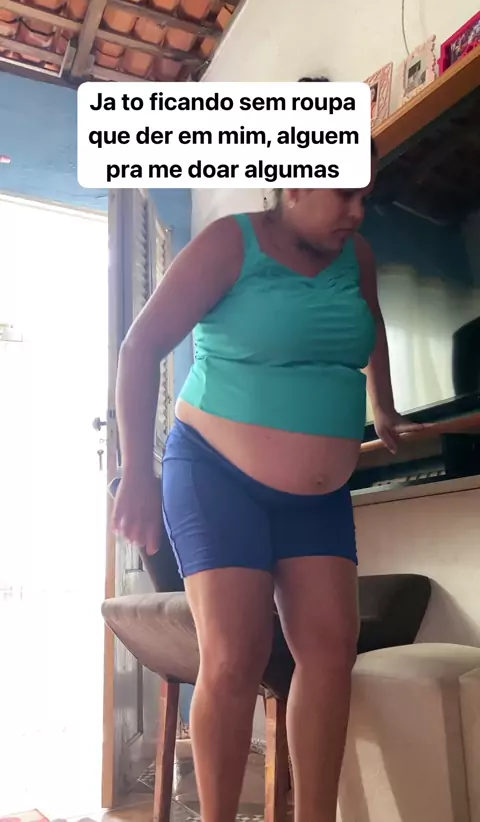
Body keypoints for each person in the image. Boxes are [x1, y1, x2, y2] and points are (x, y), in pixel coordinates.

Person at [112, 140, 421, 822]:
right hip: (215, 474)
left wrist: (385, 406)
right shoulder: (231, 245)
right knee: (235, 655)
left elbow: (369, 327)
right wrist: (136, 473)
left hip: (318, 495)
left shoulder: (357, 258)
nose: (357, 212)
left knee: (330, 650)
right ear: (294, 184)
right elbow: (140, 348)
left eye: (365, 197)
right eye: (344, 195)